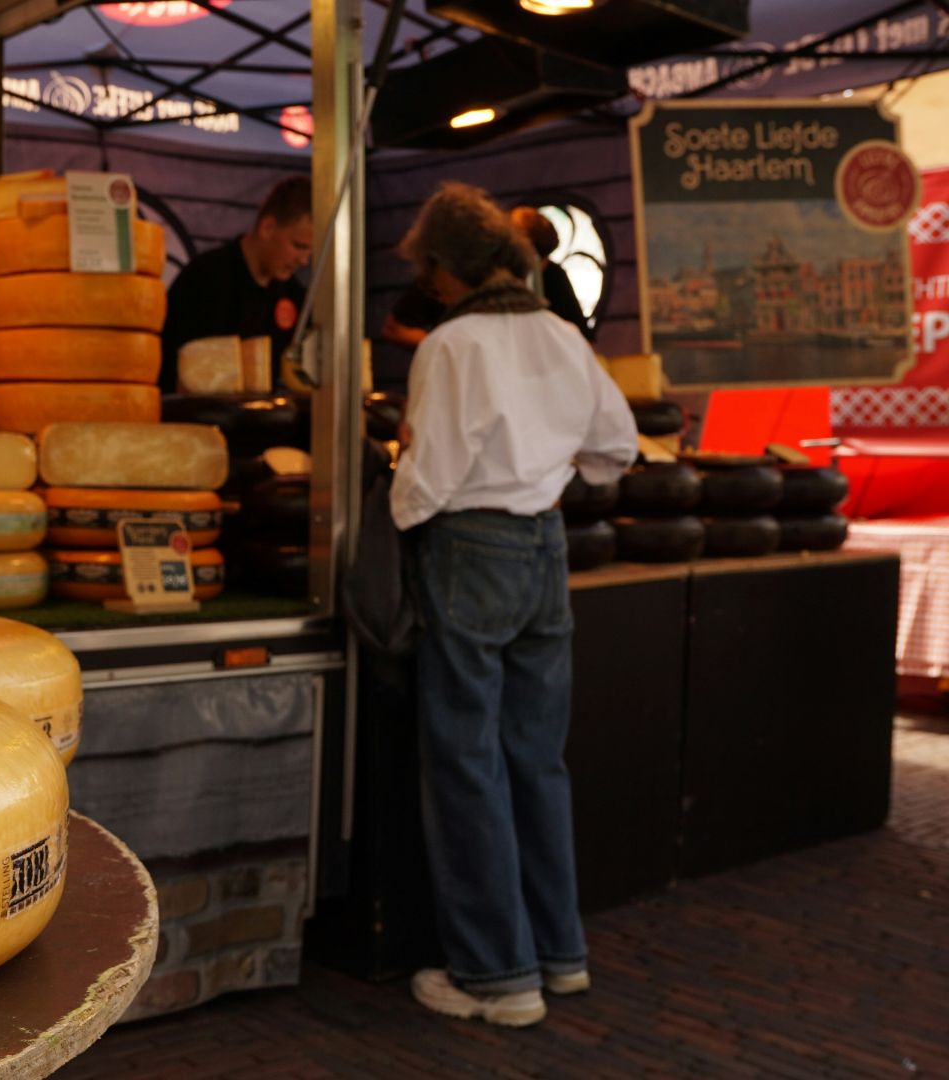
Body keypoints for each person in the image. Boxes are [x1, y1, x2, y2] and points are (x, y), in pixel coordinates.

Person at [390, 182, 636, 1028]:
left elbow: (426, 484)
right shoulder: (563, 336)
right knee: (536, 756)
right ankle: (559, 955)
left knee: (466, 761)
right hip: (545, 547)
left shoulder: (450, 346)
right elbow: (617, 450)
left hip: (471, 547)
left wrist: (399, 506)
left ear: (441, 269)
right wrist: (546, 469)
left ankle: (498, 977)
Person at [160, 177, 314, 393]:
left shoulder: (294, 296)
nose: (304, 260)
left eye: (310, 251)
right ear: (268, 227)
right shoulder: (206, 278)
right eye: (299, 246)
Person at [510, 206, 592, 340]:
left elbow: (583, 337)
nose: (541, 265)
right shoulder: (503, 282)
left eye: (542, 258)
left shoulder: (554, 275)